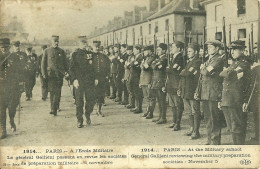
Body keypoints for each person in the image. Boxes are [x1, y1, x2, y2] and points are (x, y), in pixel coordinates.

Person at [220, 40, 251, 145]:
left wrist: (226, 71)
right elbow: (224, 75)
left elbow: (229, 75)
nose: (232, 52)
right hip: (228, 99)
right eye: (231, 50)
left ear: (242, 50)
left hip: (236, 99)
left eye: (235, 49)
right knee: (231, 127)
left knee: (237, 126)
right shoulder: (234, 63)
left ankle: (240, 148)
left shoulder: (244, 64)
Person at [195, 40, 224, 145]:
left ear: (217, 49)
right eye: (208, 47)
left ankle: (215, 140)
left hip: (213, 92)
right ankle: (209, 139)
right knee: (207, 118)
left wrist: (202, 68)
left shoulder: (218, 60)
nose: (209, 49)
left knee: (214, 118)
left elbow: (206, 72)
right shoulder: (209, 60)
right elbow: (203, 76)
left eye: (211, 47)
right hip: (205, 93)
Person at [0, 38, 27, 139]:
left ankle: (11, 119)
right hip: (1, 86)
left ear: (9, 47)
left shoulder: (14, 56)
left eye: (6, 47)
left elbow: (20, 70)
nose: (4, 49)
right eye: (2, 47)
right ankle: (3, 128)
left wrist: (21, 83)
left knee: (12, 107)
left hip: (12, 86)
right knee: (1, 107)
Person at [69, 38, 95, 127]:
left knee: (90, 100)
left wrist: (95, 78)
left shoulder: (91, 54)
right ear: (79, 45)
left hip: (90, 81)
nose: (85, 45)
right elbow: (71, 69)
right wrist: (74, 80)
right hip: (79, 81)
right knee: (79, 101)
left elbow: (94, 68)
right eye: (83, 43)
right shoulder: (75, 55)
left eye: (86, 43)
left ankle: (87, 114)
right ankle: (79, 120)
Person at [178, 43, 201, 139]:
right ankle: (191, 128)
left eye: (190, 51)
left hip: (192, 90)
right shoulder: (189, 62)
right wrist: (180, 88)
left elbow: (188, 73)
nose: (188, 53)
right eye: (187, 51)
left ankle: (196, 131)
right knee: (188, 112)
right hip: (185, 90)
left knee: (195, 111)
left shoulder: (197, 62)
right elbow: (184, 75)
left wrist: (183, 72)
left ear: (195, 52)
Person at [41, 35, 69, 116]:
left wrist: (67, 72)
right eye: (55, 41)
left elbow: (65, 63)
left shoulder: (61, 51)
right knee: (52, 92)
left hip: (59, 75)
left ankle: (55, 108)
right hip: (50, 75)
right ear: (51, 42)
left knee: (58, 92)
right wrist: (44, 74)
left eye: (57, 41)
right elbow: (43, 64)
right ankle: (53, 109)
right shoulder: (46, 51)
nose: (56, 43)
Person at [165, 41, 185, 130]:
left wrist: (168, 69)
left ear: (179, 49)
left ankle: (178, 123)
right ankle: (174, 121)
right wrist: (169, 69)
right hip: (171, 83)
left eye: (173, 47)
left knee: (178, 105)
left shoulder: (180, 58)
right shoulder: (173, 58)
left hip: (176, 84)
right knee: (173, 105)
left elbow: (173, 70)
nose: (171, 49)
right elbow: (170, 70)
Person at [150, 43, 168, 124]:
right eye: (157, 50)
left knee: (162, 101)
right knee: (159, 101)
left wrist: (155, 64)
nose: (158, 51)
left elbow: (156, 67)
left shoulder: (164, 59)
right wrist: (155, 64)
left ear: (164, 50)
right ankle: (160, 116)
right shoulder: (158, 59)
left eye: (159, 50)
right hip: (156, 82)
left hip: (160, 82)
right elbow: (152, 65)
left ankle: (163, 117)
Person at [92, 41, 110, 116]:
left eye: (98, 47)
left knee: (101, 95)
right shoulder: (90, 56)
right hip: (92, 79)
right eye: (95, 47)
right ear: (93, 47)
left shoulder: (104, 56)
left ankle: (99, 110)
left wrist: (107, 75)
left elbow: (108, 66)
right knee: (93, 94)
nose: (97, 48)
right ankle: (92, 109)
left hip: (102, 78)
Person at [139, 45, 155, 118]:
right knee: (146, 97)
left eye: (145, 51)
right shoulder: (147, 58)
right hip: (144, 80)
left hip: (148, 80)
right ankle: (147, 111)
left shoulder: (152, 58)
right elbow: (142, 69)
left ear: (149, 51)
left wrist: (151, 82)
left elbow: (148, 69)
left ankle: (150, 113)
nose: (144, 52)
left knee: (151, 97)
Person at [129, 45, 143, 114]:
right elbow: (131, 64)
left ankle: (139, 108)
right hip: (133, 76)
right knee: (135, 92)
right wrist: (132, 63)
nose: (133, 51)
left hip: (137, 76)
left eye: (134, 50)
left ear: (138, 50)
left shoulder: (140, 57)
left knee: (138, 93)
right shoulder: (135, 57)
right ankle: (137, 107)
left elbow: (132, 65)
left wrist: (132, 63)